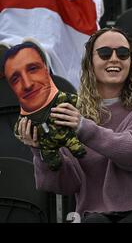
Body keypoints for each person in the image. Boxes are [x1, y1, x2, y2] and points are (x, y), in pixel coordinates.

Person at [17, 27, 132, 223]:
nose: (114, 58)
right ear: (91, 62)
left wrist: (84, 129)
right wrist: (41, 149)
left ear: (131, 63)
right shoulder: (73, 112)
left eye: (123, 53)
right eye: (105, 53)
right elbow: (66, 184)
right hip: (92, 215)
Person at [1, 40, 85, 171]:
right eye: (15, 78)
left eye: (33, 69)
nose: (28, 84)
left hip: (65, 151)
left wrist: (83, 124)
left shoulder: (62, 95)